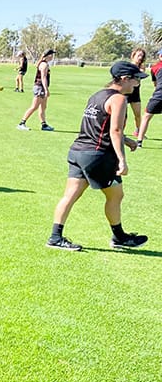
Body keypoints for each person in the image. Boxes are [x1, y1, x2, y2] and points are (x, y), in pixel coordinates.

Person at [46, 60, 147, 251]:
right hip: (97, 156)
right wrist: (122, 160)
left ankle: (55, 237)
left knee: (69, 196)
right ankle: (119, 237)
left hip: (78, 152)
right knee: (116, 195)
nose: (137, 84)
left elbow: (100, 126)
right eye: (136, 80)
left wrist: (127, 140)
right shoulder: (118, 99)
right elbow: (115, 130)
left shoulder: (97, 96)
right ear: (124, 79)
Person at [17, 49, 55, 131]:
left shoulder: (45, 64)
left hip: (42, 87)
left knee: (43, 107)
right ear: (48, 55)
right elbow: (43, 78)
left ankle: (44, 125)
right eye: (51, 55)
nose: (52, 56)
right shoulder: (44, 65)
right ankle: (21, 123)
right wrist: (46, 90)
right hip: (40, 87)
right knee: (34, 107)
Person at [135, 49, 162, 146]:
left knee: (146, 116)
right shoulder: (156, 67)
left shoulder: (155, 67)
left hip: (159, 94)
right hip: (159, 94)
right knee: (146, 116)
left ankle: (139, 141)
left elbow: (155, 84)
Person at [125, 47, 147, 134]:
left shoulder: (141, 67)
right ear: (133, 55)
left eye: (142, 56)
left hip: (135, 93)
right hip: (126, 92)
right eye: (139, 55)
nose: (140, 57)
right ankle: (120, 131)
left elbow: (139, 77)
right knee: (123, 115)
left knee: (137, 115)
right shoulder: (127, 66)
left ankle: (138, 131)